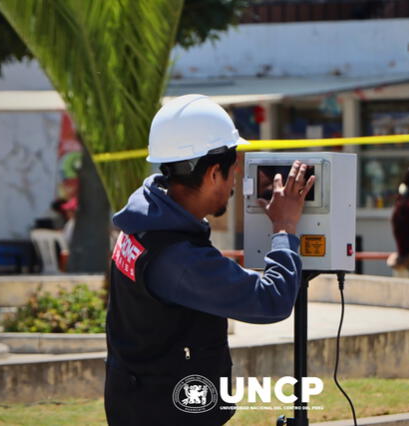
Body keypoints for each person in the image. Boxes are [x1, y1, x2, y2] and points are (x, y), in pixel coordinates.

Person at [104, 94, 315, 426]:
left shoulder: (142, 222)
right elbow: (271, 301)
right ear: (214, 173)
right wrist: (284, 226)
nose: (235, 184)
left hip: (138, 402)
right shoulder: (178, 257)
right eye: (233, 172)